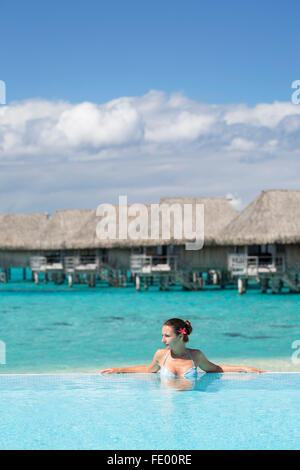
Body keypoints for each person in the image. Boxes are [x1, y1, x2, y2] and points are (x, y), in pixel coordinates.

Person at [99, 318, 266, 376]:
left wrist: (244, 368)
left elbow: (217, 368)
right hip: (165, 410)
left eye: (167, 336)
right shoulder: (160, 355)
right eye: (162, 335)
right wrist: (118, 370)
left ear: (180, 336)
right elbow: (147, 369)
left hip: (190, 405)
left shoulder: (196, 356)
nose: (162, 340)